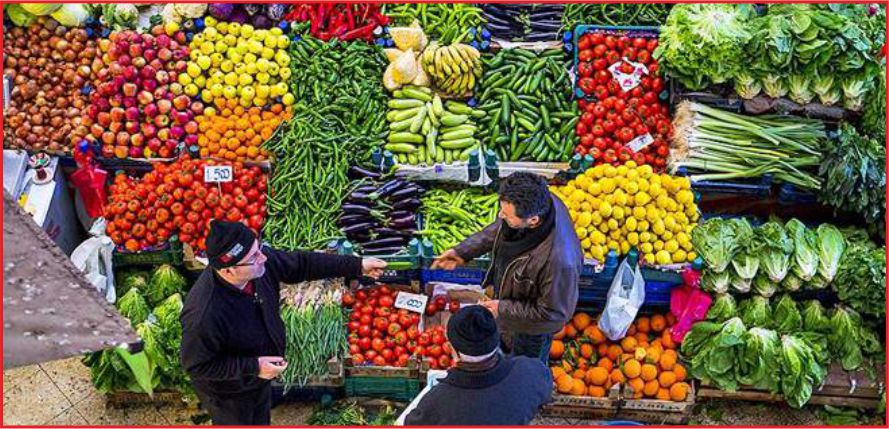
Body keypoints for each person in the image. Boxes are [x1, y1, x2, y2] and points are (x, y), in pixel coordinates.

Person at [180, 220, 387, 425]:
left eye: (259, 248)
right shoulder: (204, 314)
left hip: (259, 379)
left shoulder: (257, 265)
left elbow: (302, 264)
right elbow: (198, 366)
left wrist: (357, 265)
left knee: (261, 418)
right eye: (254, 257)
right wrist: (253, 367)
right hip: (229, 393)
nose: (263, 258)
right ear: (228, 271)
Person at [432, 172, 582, 362]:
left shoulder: (559, 262)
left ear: (533, 220)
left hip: (531, 329)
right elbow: (501, 227)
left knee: (525, 365)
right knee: (506, 345)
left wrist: (501, 308)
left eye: (507, 214)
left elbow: (553, 315)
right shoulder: (541, 201)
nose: (500, 215)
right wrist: (464, 251)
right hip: (513, 302)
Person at [403, 306, 552, 425]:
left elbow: (410, 423)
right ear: (496, 338)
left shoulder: (435, 403)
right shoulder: (532, 372)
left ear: (452, 349)